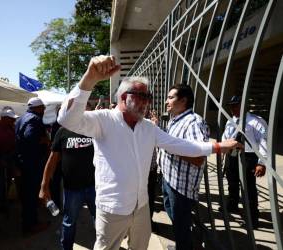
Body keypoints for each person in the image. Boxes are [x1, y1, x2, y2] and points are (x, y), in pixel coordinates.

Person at [57, 55, 241, 250]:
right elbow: (67, 119)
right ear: (122, 97)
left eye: (148, 97)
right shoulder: (104, 120)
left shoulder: (148, 127)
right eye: (140, 96)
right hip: (113, 209)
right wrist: (89, 79)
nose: (146, 102)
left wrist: (218, 147)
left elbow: (179, 144)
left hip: (141, 207)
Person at [157, 84, 209, 250]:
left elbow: (199, 158)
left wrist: (170, 148)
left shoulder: (193, 122)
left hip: (181, 187)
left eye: (171, 97)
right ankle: (184, 244)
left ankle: (186, 245)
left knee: (181, 225)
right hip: (169, 178)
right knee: (177, 220)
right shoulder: (175, 120)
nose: (166, 101)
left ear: (184, 100)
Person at [39, 102, 96, 250]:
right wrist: (44, 186)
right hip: (72, 189)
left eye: (87, 111)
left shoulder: (96, 130)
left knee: (101, 220)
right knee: (69, 222)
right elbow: (52, 160)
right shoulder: (63, 132)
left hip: (95, 187)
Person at [221, 95, 267, 228]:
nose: (233, 108)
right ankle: (233, 204)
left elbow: (264, 142)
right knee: (232, 181)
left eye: (236, 105)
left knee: (248, 187)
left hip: (248, 156)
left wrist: (261, 163)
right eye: (231, 106)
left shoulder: (256, 121)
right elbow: (226, 136)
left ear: (244, 106)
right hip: (232, 154)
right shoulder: (231, 121)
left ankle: (253, 217)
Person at [15, 97, 50, 235]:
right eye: (43, 107)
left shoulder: (20, 118)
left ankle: (29, 222)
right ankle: (30, 226)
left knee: (27, 195)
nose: (44, 110)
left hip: (23, 162)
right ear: (38, 108)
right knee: (30, 195)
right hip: (32, 164)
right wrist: (44, 139)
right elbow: (30, 137)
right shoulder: (34, 119)